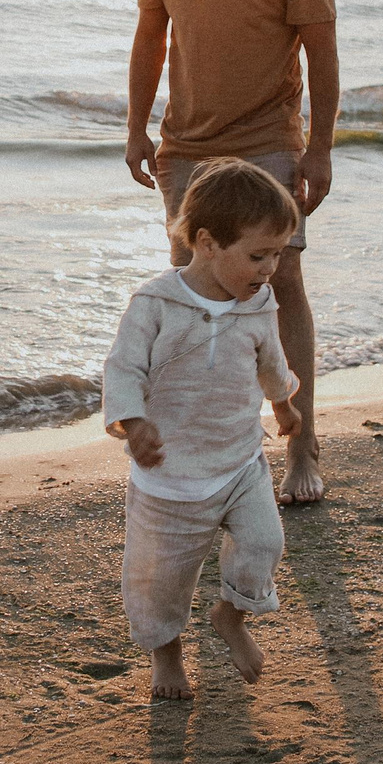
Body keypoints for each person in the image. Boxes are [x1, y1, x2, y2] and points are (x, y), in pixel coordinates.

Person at [125, 0, 338, 503]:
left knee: (283, 285)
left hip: (270, 140)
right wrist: (136, 126)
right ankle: (195, 444)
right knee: (192, 296)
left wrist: (320, 149)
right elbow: (151, 39)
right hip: (187, 144)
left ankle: (300, 448)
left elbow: (322, 52)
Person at [103, 158, 304, 700]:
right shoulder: (156, 304)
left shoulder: (257, 302)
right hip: (171, 477)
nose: (269, 268)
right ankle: (166, 660)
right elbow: (123, 369)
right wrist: (135, 422)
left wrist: (283, 405)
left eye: (277, 254)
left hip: (239, 460)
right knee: (160, 583)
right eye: (257, 255)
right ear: (208, 243)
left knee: (265, 542)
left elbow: (270, 360)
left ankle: (230, 614)